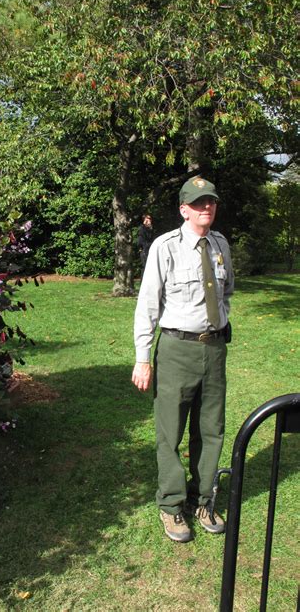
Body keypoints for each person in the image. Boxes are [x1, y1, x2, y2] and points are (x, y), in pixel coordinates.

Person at [132, 175, 234, 543]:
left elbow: (227, 292)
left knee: (211, 429)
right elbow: (148, 305)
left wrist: (220, 325)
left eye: (211, 202)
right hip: (176, 350)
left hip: (214, 349)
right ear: (183, 210)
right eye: (199, 203)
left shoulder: (220, 243)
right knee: (170, 432)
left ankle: (204, 499)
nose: (207, 207)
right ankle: (172, 507)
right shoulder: (165, 246)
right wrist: (143, 358)